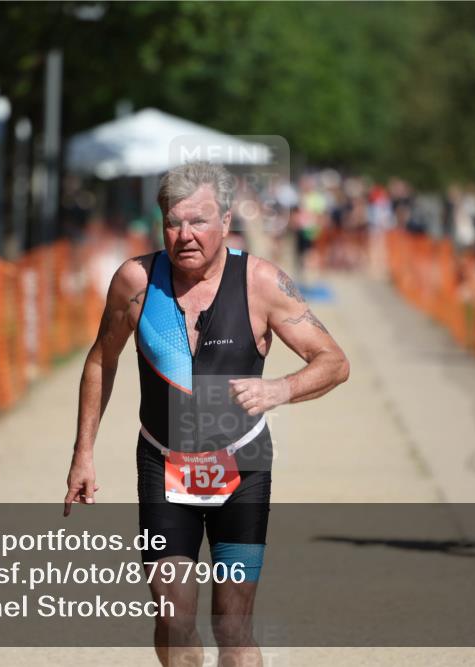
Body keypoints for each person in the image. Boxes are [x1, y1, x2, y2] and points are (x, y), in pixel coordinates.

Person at [64, 161, 350, 666]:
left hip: (241, 466)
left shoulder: (261, 282)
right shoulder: (135, 281)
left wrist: (280, 388)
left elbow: (334, 362)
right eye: (173, 222)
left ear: (225, 219)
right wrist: (82, 453)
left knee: (233, 623)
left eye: (198, 221)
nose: (185, 235)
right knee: (173, 618)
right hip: (162, 461)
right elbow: (100, 361)